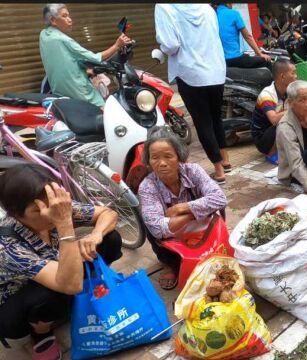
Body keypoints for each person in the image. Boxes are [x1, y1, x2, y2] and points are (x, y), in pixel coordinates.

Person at [0, 164, 122, 359]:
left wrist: (95, 235)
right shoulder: (6, 244)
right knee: (53, 292)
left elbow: (108, 214)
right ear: (15, 214)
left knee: (110, 238)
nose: (50, 212)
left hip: (58, 272)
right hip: (16, 305)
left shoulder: (57, 207)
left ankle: (92, 289)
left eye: (52, 203)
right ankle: (40, 332)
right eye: (37, 210)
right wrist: (64, 224)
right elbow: (70, 284)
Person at [138, 127, 227, 290]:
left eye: (168, 156)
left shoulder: (193, 170)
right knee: (149, 223)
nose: (162, 163)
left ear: (179, 157)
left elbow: (220, 198)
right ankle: (169, 264)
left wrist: (182, 208)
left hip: (199, 230)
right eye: (155, 158)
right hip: (174, 235)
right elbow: (158, 228)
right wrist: (195, 214)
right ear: (148, 161)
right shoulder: (148, 186)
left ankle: (210, 247)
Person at [155, 4, 231, 184]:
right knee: (215, 118)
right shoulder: (206, 7)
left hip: (190, 73)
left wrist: (162, 51)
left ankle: (219, 171)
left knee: (203, 122)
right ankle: (226, 160)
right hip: (216, 70)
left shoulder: (164, 7)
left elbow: (170, 44)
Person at [39, 4, 132, 108]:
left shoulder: (44, 35)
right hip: (79, 92)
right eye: (64, 16)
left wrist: (86, 69)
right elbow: (95, 58)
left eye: (69, 16)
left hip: (60, 91)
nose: (70, 20)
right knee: (105, 111)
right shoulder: (63, 40)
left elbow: (64, 58)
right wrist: (117, 46)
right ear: (53, 20)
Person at [252, 59, 307, 157]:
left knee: (306, 114)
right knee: (288, 119)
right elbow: (274, 120)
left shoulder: (291, 90)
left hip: (281, 130)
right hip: (264, 139)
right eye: (293, 73)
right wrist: (296, 107)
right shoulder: (267, 94)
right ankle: (273, 153)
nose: (296, 76)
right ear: (283, 76)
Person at [215, 3, 272, 70]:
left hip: (220, 60)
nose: (232, 5)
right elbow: (247, 36)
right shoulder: (233, 13)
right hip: (234, 59)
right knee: (267, 61)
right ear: (227, 3)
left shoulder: (213, 14)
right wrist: (259, 54)